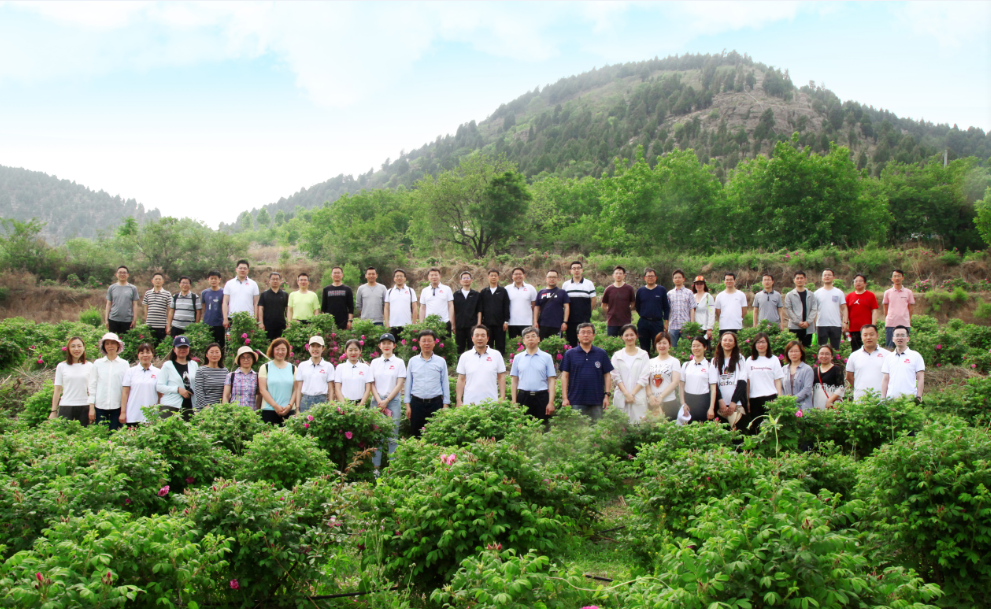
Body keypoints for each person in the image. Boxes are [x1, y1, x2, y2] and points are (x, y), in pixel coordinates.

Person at [560, 322, 613, 421]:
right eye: (583, 332)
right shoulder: (569, 354)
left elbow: (607, 375)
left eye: (589, 332)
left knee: (598, 428)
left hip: (597, 400)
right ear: (578, 335)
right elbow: (565, 376)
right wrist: (565, 398)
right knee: (577, 429)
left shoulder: (601, 353)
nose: (586, 335)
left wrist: (607, 395)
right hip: (576, 400)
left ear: (593, 335)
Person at [370, 333, 407, 472]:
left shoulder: (399, 362)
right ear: (379, 346)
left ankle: (393, 469)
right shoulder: (374, 363)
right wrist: (379, 400)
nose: (386, 346)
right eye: (383, 343)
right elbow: (371, 383)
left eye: (389, 343)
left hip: (393, 401)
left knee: (392, 436)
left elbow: (399, 384)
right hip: (376, 402)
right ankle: (375, 468)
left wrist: (387, 400)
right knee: (376, 436)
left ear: (394, 345)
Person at [404, 329, 450, 437]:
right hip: (417, 404)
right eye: (423, 341)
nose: (426, 343)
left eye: (429, 340)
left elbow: (445, 383)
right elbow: (408, 384)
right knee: (416, 435)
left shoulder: (441, 361)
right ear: (419, 343)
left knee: (436, 436)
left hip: (436, 404)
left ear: (434, 343)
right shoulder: (413, 361)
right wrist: (407, 405)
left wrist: (445, 404)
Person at [510, 326, 557, 422]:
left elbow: (551, 380)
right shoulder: (518, 358)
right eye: (527, 337)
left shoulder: (547, 357)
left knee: (543, 426)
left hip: (542, 397)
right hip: (523, 397)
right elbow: (514, 381)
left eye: (533, 336)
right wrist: (514, 402)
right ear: (523, 341)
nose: (530, 339)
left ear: (538, 339)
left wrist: (551, 402)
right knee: (522, 426)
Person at [455, 324, 506, 406]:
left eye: (483, 335)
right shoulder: (465, 356)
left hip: (491, 402)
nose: (480, 338)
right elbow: (461, 379)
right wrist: (458, 399)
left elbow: (501, 377)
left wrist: (502, 397)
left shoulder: (496, 355)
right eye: (477, 335)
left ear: (487, 338)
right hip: (469, 403)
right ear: (472, 338)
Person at [88, 332, 129, 431]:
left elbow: (126, 387)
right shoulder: (98, 363)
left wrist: (124, 410)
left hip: (117, 407)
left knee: (115, 435)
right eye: (107, 343)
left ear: (118, 345)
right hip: (100, 407)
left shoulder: (124, 364)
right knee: (100, 434)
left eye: (113, 343)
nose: (110, 346)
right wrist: (91, 408)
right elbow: (92, 386)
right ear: (104, 346)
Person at [708, 331, 749, 429]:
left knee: (738, 433)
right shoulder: (715, 360)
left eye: (730, 340)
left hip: (737, 404)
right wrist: (720, 401)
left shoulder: (740, 359)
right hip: (721, 406)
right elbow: (713, 383)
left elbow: (742, 382)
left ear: (734, 344)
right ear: (721, 342)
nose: (727, 342)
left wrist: (734, 402)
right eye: (725, 340)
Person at [610, 324, 650, 423]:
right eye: (626, 335)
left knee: (639, 425)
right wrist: (626, 394)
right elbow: (616, 377)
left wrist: (632, 394)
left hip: (638, 396)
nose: (629, 338)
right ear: (621, 337)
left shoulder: (643, 355)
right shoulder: (617, 356)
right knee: (621, 425)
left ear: (636, 336)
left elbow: (644, 377)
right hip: (621, 396)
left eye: (632, 335)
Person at [50, 336, 93, 424]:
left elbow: (92, 389)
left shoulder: (90, 366)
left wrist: (92, 408)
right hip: (66, 406)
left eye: (79, 346)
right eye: (73, 346)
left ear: (83, 348)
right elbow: (57, 390)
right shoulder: (61, 366)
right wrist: (53, 411)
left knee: (83, 432)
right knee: (64, 432)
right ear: (68, 349)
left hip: (84, 406)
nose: (76, 349)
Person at [745, 332, 783, 432]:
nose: (760, 345)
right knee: (756, 428)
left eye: (763, 342)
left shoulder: (774, 359)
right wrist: (747, 400)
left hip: (770, 398)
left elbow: (777, 380)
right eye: (758, 342)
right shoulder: (750, 360)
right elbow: (747, 382)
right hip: (754, 398)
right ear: (754, 344)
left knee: (771, 428)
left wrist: (779, 399)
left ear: (768, 344)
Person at [157, 335, 198, 421]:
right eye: (179, 347)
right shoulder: (167, 365)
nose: (182, 349)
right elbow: (159, 387)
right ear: (174, 349)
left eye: (185, 347)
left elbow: (197, 384)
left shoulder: (194, 365)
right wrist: (177, 389)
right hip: (171, 405)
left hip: (190, 405)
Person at [119, 343, 161, 426]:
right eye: (142, 353)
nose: (145, 355)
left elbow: (160, 395)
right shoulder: (130, 372)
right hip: (133, 415)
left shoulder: (158, 372)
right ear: (138, 355)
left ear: (152, 355)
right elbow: (125, 393)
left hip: (151, 415)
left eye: (148, 352)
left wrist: (159, 412)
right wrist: (123, 412)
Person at [845, 324, 890, 401]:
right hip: (860, 398)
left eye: (872, 334)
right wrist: (859, 387)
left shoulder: (887, 355)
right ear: (861, 337)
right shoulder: (854, 356)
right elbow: (849, 376)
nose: (868, 337)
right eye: (865, 335)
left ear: (877, 336)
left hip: (882, 398)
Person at [258, 338, 297, 425]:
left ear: (287, 351)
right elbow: (262, 390)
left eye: (283, 349)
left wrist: (290, 406)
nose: (280, 352)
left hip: (289, 411)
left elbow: (296, 390)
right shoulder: (265, 368)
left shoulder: (293, 368)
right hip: (269, 410)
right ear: (272, 350)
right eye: (277, 349)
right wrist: (275, 406)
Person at [881, 326, 925, 400]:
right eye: (897, 335)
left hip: (910, 399)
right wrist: (883, 397)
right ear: (893, 339)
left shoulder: (916, 356)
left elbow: (920, 378)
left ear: (908, 338)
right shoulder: (888, 357)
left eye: (903, 335)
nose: (900, 338)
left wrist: (919, 396)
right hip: (891, 400)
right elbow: (885, 379)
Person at [679, 336, 715, 422]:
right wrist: (683, 403)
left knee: (703, 427)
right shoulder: (686, 365)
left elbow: (713, 389)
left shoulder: (710, 366)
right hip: (688, 402)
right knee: (688, 427)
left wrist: (711, 408)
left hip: (703, 401)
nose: (696, 348)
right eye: (693, 346)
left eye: (698, 345)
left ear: (705, 347)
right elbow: (681, 386)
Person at [647, 332, 681, 420]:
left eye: (664, 343)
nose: (662, 346)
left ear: (669, 345)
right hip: (652, 403)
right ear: (655, 345)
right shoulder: (649, 362)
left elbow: (675, 382)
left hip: (669, 402)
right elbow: (645, 382)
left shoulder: (674, 361)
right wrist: (650, 396)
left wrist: (661, 397)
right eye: (659, 343)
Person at [562, 261, 596, 348]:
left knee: (585, 341)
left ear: (582, 270)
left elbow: (593, 300)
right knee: (571, 343)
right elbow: (564, 303)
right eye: (574, 268)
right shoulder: (566, 285)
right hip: (570, 320)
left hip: (584, 319)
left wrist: (587, 312)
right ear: (570, 271)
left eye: (578, 268)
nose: (576, 270)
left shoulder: (589, 284)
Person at [295, 336, 333, 412]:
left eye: (318, 346)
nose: (315, 349)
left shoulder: (328, 366)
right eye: (313, 346)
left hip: (322, 400)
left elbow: (331, 389)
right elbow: (298, 389)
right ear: (309, 348)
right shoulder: (302, 365)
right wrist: (297, 408)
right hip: (306, 400)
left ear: (323, 348)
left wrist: (331, 406)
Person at [635, 268, 668, 355]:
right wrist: (645, 314)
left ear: (655, 277)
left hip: (657, 323)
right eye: (648, 276)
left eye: (652, 276)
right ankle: (646, 363)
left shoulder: (661, 290)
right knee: (644, 348)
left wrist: (666, 322)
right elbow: (637, 307)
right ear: (644, 278)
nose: (650, 278)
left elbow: (666, 307)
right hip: (643, 322)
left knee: (658, 345)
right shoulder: (640, 291)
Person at [478, 269, 510, 354]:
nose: (493, 277)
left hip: (500, 323)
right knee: (488, 345)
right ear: (488, 277)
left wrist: (506, 321)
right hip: (487, 323)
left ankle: (500, 360)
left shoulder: (503, 291)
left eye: (495, 275)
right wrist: (480, 323)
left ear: (498, 277)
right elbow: (480, 308)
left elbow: (506, 306)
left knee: (500, 345)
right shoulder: (484, 292)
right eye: (491, 275)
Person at [815, 269, 847, 350]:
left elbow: (844, 308)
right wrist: (813, 323)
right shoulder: (817, 293)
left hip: (836, 324)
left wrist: (845, 322)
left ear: (833, 277)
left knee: (836, 349)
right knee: (822, 348)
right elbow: (814, 310)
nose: (827, 276)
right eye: (825, 275)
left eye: (829, 275)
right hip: (821, 324)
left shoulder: (839, 292)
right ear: (822, 278)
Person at [846, 274, 879, 352]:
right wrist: (845, 324)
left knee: (869, 348)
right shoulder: (849, 296)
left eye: (860, 281)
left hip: (867, 329)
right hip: (853, 329)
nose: (858, 283)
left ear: (865, 283)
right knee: (855, 350)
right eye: (856, 281)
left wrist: (873, 325)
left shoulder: (871, 295)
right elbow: (846, 312)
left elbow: (874, 311)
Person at [223, 259, 260, 330]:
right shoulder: (229, 283)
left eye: (245, 268)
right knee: (232, 337)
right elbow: (225, 302)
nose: (242, 270)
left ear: (248, 270)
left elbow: (256, 303)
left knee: (249, 337)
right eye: (240, 268)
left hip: (249, 318)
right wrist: (225, 318)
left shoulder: (253, 284)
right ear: (236, 269)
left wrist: (255, 319)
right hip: (233, 318)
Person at [784, 271, 818, 348]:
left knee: (807, 348)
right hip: (794, 327)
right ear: (794, 280)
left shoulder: (811, 295)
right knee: (794, 348)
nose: (799, 280)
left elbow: (814, 309)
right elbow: (788, 310)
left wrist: (808, 322)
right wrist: (798, 322)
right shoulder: (789, 295)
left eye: (801, 278)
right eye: (797, 278)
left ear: (805, 279)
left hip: (808, 327)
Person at [882, 270, 915, 348]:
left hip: (905, 324)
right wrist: (889, 318)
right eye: (895, 276)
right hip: (891, 324)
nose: (897, 278)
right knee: (890, 347)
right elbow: (885, 309)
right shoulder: (887, 292)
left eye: (899, 276)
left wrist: (907, 318)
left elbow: (911, 309)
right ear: (892, 279)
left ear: (903, 278)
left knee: (903, 347)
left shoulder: (908, 292)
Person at [534, 270, 570, 340]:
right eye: (550, 277)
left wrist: (565, 322)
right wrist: (535, 321)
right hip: (542, 324)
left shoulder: (562, 292)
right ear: (546, 279)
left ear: (558, 279)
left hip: (557, 324)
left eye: (554, 277)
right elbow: (537, 307)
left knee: (556, 344)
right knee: (542, 343)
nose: (552, 279)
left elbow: (567, 307)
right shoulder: (541, 292)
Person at [335, 339, 373, 405]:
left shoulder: (365, 367)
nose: (353, 353)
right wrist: (344, 405)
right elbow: (337, 389)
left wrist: (361, 405)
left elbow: (368, 389)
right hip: (345, 403)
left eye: (356, 350)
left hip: (360, 404)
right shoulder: (340, 368)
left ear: (360, 351)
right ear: (345, 351)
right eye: (350, 350)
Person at [104, 265, 140, 334]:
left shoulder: (133, 288)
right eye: (120, 272)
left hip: (127, 320)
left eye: (124, 273)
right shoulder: (111, 288)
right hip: (113, 319)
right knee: (113, 339)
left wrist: (134, 319)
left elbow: (135, 305)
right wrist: (106, 319)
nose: (122, 274)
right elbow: (108, 304)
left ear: (128, 275)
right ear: (116, 274)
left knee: (126, 339)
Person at [601, 266, 636, 337]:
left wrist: (625, 310)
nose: (618, 275)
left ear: (624, 275)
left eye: (620, 273)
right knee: (612, 341)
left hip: (626, 321)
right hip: (612, 322)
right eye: (616, 273)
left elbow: (633, 304)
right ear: (613, 275)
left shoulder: (629, 288)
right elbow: (603, 306)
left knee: (626, 340)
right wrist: (611, 312)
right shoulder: (608, 289)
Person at [383, 269, 418, 338]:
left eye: (401, 276)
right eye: (397, 276)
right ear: (394, 279)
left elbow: (415, 307)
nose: (399, 278)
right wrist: (387, 323)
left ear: (405, 278)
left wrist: (414, 323)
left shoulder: (410, 291)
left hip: (407, 325)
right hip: (393, 325)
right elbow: (386, 308)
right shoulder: (389, 291)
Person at [781, 340, 814, 413]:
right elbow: (780, 388)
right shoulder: (783, 369)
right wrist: (784, 400)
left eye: (796, 351)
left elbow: (807, 389)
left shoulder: (807, 369)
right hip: (787, 408)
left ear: (801, 353)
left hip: (803, 408)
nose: (794, 354)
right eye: (791, 351)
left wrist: (792, 400)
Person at [419, 267, 456, 333]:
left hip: (444, 322)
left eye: (436, 275)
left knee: (446, 339)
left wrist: (450, 320)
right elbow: (422, 308)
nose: (434, 277)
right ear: (428, 277)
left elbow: (450, 305)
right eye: (432, 275)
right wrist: (422, 323)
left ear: (440, 276)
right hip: (429, 323)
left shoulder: (447, 289)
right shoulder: (425, 291)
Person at [193, 343, 228, 411]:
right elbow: (198, 391)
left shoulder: (225, 371)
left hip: (220, 409)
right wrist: (206, 407)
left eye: (217, 352)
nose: (214, 355)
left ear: (221, 354)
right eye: (211, 352)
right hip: (204, 410)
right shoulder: (201, 370)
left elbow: (227, 391)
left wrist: (223, 407)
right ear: (206, 355)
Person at [506, 267, 537, 339]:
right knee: (513, 343)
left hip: (527, 322)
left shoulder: (530, 288)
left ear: (524, 275)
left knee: (527, 342)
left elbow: (534, 305)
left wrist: (535, 321)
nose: (518, 276)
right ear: (512, 276)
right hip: (512, 323)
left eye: (520, 274)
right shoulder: (507, 289)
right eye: (516, 274)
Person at [453, 271, 481, 353]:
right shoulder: (456, 295)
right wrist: (453, 325)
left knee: (472, 348)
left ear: (471, 280)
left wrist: (478, 324)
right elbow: (453, 311)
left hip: (472, 326)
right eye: (464, 278)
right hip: (459, 326)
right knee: (459, 348)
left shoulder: (476, 294)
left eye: (468, 278)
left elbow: (479, 310)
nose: (466, 280)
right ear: (460, 281)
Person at [257, 272, 289, 341]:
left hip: (281, 325)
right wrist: (261, 323)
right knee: (268, 344)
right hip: (267, 325)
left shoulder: (285, 294)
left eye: (277, 279)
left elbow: (288, 310)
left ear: (280, 281)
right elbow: (260, 309)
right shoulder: (264, 294)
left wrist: (288, 323)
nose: (275, 281)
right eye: (273, 279)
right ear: (269, 281)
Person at [714, 272, 748, 336]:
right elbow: (718, 312)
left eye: (731, 279)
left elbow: (744, 311)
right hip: (723, 327)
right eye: (727, 280)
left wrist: (737, 318)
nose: (729, 281)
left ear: (734, 281)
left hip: (737, 326)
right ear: (724, 281)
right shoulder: (719, 296)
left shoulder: (741, 295)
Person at [667, 270, 694, 348]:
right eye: (675, 278)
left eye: (679, 277)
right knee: (673, 349)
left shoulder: (689, 292)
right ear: (673, 280)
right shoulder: (669, 294)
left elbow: (692, 309)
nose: (677, 279)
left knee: (686, 348)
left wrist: (691, 325)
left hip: (685, 325)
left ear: (683, 279)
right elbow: (667, 310)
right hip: (673, 325)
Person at [321, 266, 355, 330]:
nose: (336, 274)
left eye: (338, 273)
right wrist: (323, 321)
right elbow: (323, 307)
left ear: (342, 275)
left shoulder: (347, 289)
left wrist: (350, 321)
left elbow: (351, 307)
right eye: (335, 273)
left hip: (344, 321)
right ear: (331, 275)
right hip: (329, 321)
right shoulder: (326, 289)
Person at [813, 345, 845, 410]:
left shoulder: (837, 370)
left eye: (827, 354)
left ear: (831, 356)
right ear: (818, 356)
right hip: (817, 404)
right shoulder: (814, 370)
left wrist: (830, 400)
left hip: (832, 404)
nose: (824, 356)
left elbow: (841, 388)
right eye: (822, 354)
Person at [200, 271, 226, 351]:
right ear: (208, 280)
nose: (213, 280)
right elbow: (204, 307)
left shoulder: (224, 292)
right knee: (208, 345)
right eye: (211, 278)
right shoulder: (204, 293)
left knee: (220, 345)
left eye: (215, 279)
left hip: (220, 323)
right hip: (207, 323)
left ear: (219, 280)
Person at [142, 273, 171, 344]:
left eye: (159, 279)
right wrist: (146, 322)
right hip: (150, 325)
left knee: (160, 345)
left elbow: (170, 310)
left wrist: (168, 325)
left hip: (161, 325)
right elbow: (145, 308)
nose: (158, 281)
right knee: (150, 344)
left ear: (163, 281)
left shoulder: (167, 294)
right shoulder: (148, 293)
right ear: (152, 281)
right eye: (156, 279)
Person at [691, 276, 715, 342]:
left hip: (705, 327)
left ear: (704, 285)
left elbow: (711, 313)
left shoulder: (708, 297)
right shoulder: (693, 297)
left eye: (701, 284)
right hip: (695, 328)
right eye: (697, 284)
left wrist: (709, 328)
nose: (699, 285)